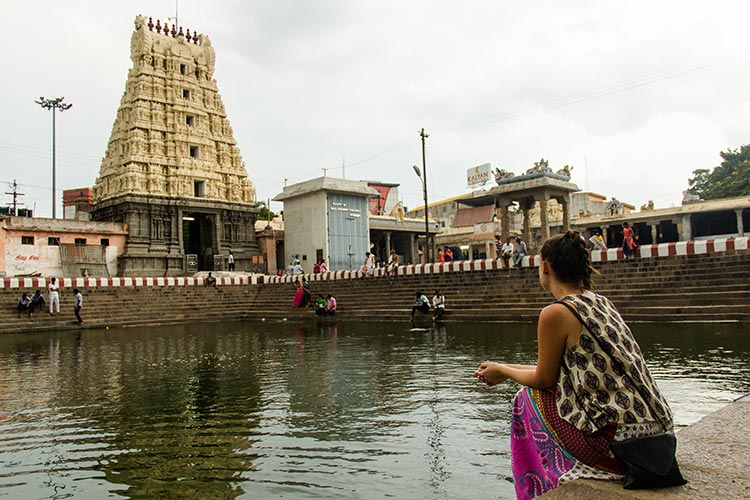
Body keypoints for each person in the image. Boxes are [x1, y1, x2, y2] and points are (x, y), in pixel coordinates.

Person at [474, 231, 676, 499]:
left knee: (527, 399)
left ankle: (541, 486)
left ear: (545, 267)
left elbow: (545, 380)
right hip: (660, 440)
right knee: (538, 391)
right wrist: (502, 367)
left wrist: (505, 372)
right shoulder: (600, 302)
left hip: (620, 449)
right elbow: (553, 370)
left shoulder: (556, 313)